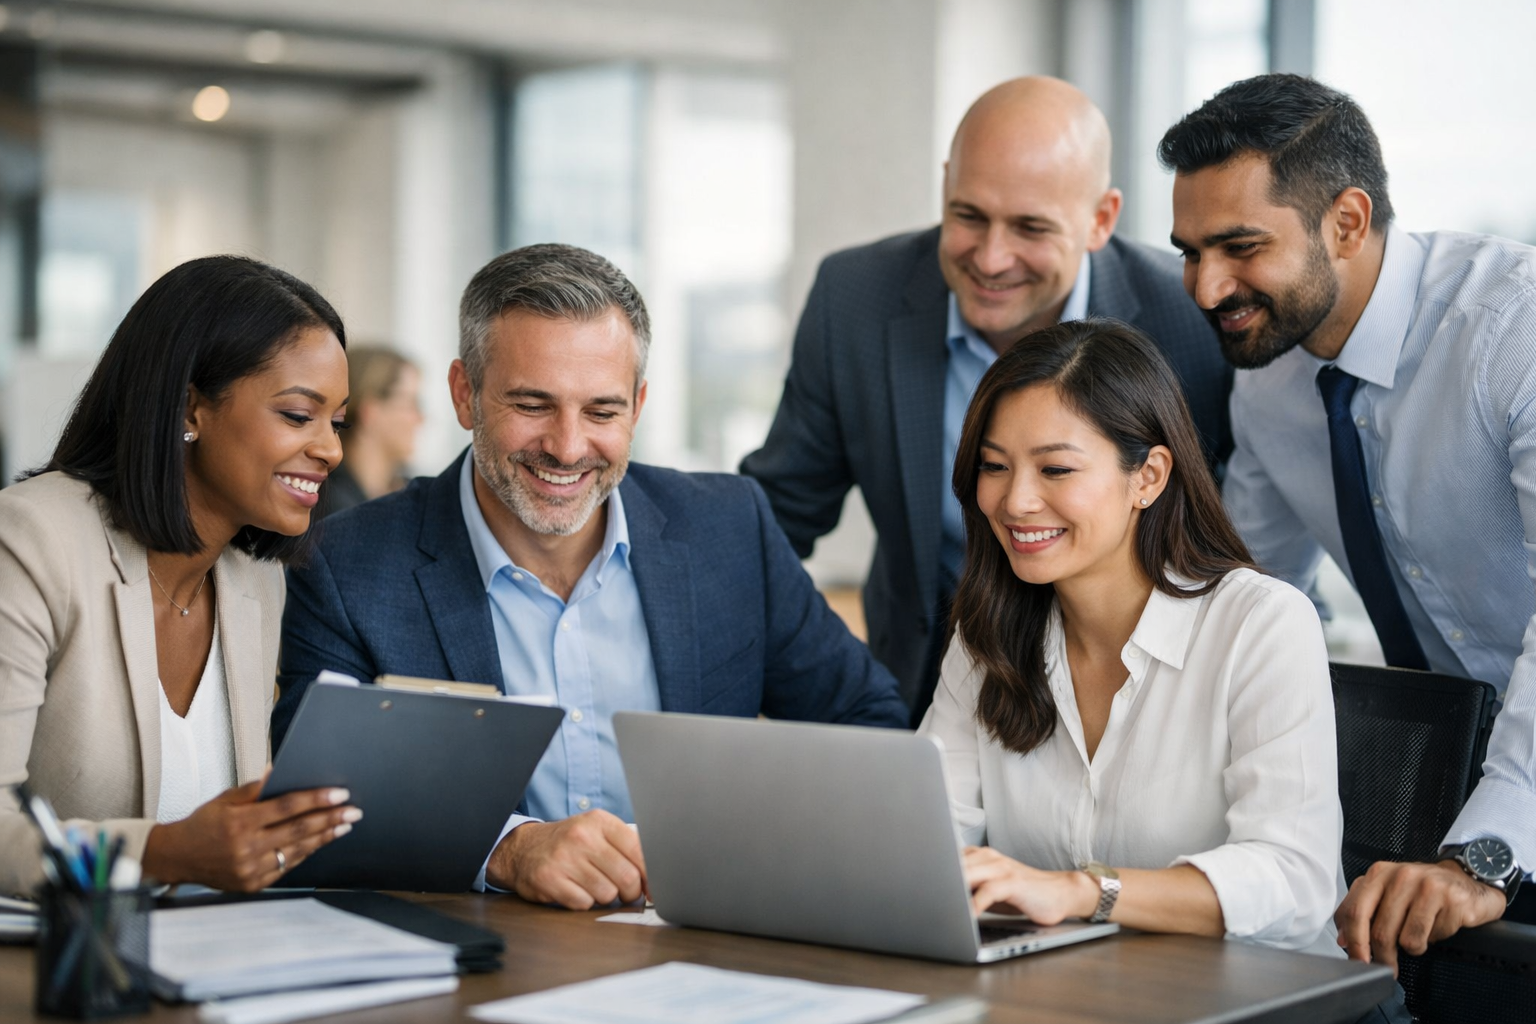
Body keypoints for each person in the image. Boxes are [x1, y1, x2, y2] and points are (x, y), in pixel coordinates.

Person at [276, 243, 908, 910]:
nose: (569, 447)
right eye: (532, 404)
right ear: (465, 395)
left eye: (602, 411)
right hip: (484, 966)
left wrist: (753, 833)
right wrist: (507, 849)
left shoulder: (728, 529)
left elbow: (868, 723)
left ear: (637, 405)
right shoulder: (345, 563)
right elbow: (315, 811)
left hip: (703, 947)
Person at [1160, 72, 1536, 972]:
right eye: (1189, 251)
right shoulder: (1269, 385)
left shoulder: (1512, 331)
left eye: (1239, 246)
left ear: (1349, 222)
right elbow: (1239, 604)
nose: (1206, 287)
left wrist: (1486, 850)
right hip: (1448, 779)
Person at [741, 76, 1232, 724]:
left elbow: (1235, 539)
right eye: (968, 216)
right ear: (946, 185)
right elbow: (774, 519)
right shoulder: (855, 299)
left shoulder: (1193, 319)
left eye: (1030, 228)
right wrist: (826, 678)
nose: (991, 258)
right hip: (916, 695)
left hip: (1139, 709)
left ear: (1100, 220)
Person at [918, 317, 1345, 959]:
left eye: (1056, 469)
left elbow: (1293, 880)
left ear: (1147, 477)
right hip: (1076, 996)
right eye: (994, 466)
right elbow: (928, 842)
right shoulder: (987, 635)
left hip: (1258, 1000)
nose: (1015, 501)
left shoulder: (1261, 623)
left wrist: (1084, 891)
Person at [0, 255, 361, 897]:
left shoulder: (255, 580)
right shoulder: (30, 541)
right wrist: (165, 852)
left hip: (216, 957)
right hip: (61, 975)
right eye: (298, 416)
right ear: (191, 407)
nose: (331, 450)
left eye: (336, 422)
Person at [318, 346, 424, 517]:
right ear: (370, 411)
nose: (420, 418)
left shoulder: (414, 496)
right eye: (411, 403)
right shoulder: (328, 507)